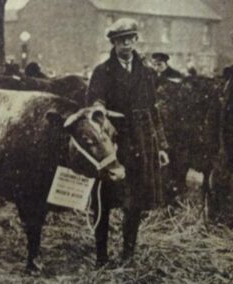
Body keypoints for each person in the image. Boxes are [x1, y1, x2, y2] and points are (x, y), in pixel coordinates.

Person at [86, 18, 169, 261]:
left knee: (134, 202)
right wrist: (101, 112)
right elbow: (95, 102)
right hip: (112, 143)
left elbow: (153, 109)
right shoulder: (102, 71)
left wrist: (161, 145)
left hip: (141, 144)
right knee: (103, 200)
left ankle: (128, 255)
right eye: (121, 40)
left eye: (131, 39)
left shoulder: (146, 73)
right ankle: (101, 256)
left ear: (135, 40)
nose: (127, 44)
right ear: (113, 42)